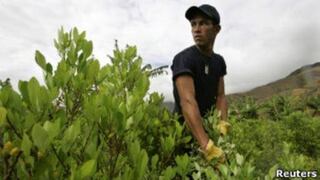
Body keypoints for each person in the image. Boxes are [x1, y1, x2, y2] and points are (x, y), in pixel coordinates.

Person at [170, 4, 230, 162]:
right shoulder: (184, 59)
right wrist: (207, 147)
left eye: (203, 23)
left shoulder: (219, 61)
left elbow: (221, 96)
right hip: (186, 137)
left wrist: (222, 125)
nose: (196, 29)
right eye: (193, 24)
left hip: (209, 132)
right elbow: (187, 102)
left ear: (216, 29)